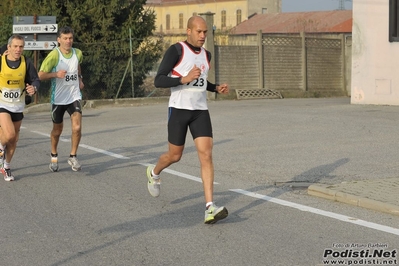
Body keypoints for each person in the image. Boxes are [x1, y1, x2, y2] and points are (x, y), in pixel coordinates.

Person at [148, 16, 230, 224]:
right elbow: (159, 80)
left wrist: (215, 87)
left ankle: (209, 207)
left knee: (206, 154)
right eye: (199, 32)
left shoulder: (207, 54)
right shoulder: (176, 50)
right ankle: (154, 171)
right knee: (175, 155)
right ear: (189, 31)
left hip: (200, 111)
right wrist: (182, 79)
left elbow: (200, 81)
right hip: (178, 110)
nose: (203, 36)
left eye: (205, 32)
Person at [38, 26, 84, 172]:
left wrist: (80, 79)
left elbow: (77, 67)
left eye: (70, 38)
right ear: (59, 40)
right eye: (65, 38)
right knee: (57, 131)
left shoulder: (78, 53)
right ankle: (53, 155)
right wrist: (55, 74)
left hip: (74, 96)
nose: (68, 41)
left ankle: (73, 156)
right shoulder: (54, 55)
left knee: (77, 127)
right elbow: (40, 75)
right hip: (58, 99)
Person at [0, 34, 39, 181]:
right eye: (15, 46)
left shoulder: (26, 62)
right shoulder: (1, 61)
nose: (18, 49)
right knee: (9, 134)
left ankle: (6, 166)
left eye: (21, 46)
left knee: (14, 139)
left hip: (18, 105)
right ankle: (0, 147)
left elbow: (35, 80)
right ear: (8, 47)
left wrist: (33, 88)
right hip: (2, 104)